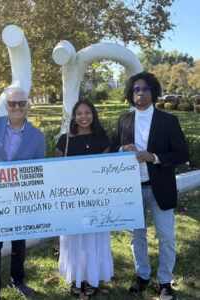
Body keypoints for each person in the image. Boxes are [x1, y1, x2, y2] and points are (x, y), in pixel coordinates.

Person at [111, 72, 189, 300]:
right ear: (130, 94)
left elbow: (182, 153)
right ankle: (142, 276)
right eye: (136, 89)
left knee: (166, 236)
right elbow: (114, 147)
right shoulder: (124, 120)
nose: (141, 93)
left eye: (145, 89)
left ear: (153, 92)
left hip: (160, 188)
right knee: (137, 236)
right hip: (132, 189)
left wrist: (154, 157)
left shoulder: (168, 121)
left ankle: (165, 280)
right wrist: (121, 150)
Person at [0, 87, 45, 300]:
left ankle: (18, 279)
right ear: (6, 106)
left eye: (21, 103)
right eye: (12, 104)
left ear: (27, 106)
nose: (17, 108)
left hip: (20, 199)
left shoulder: (37, 136)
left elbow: (38, 169)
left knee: (19, 243)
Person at [56, 99, 114, 297]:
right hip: (72, 199)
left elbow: (108, 170)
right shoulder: (65, 140)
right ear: (74, 116)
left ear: (93, 115)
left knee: (93, 239)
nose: (83, 117)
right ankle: (75, 277)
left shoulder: (104, 140)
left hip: (96, 199)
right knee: (73, 239)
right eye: (79, 113)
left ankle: (90, 278)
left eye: (87, 113)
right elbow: (57, 169)